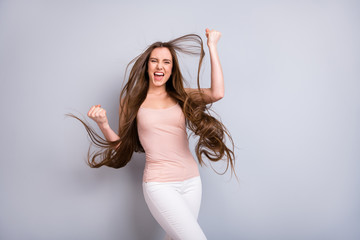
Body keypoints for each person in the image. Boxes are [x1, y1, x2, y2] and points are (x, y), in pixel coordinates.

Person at [67, 28, 235, 240]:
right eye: (154, 60)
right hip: (159, 184)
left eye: (166, 62)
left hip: (192, 181)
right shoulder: (131, 102)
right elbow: (122, 146)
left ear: (172, 69)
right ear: (147, 66)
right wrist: (103, 124)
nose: (160, 66)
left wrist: (212, 46)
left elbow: (217, 92)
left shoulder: (182, 95)